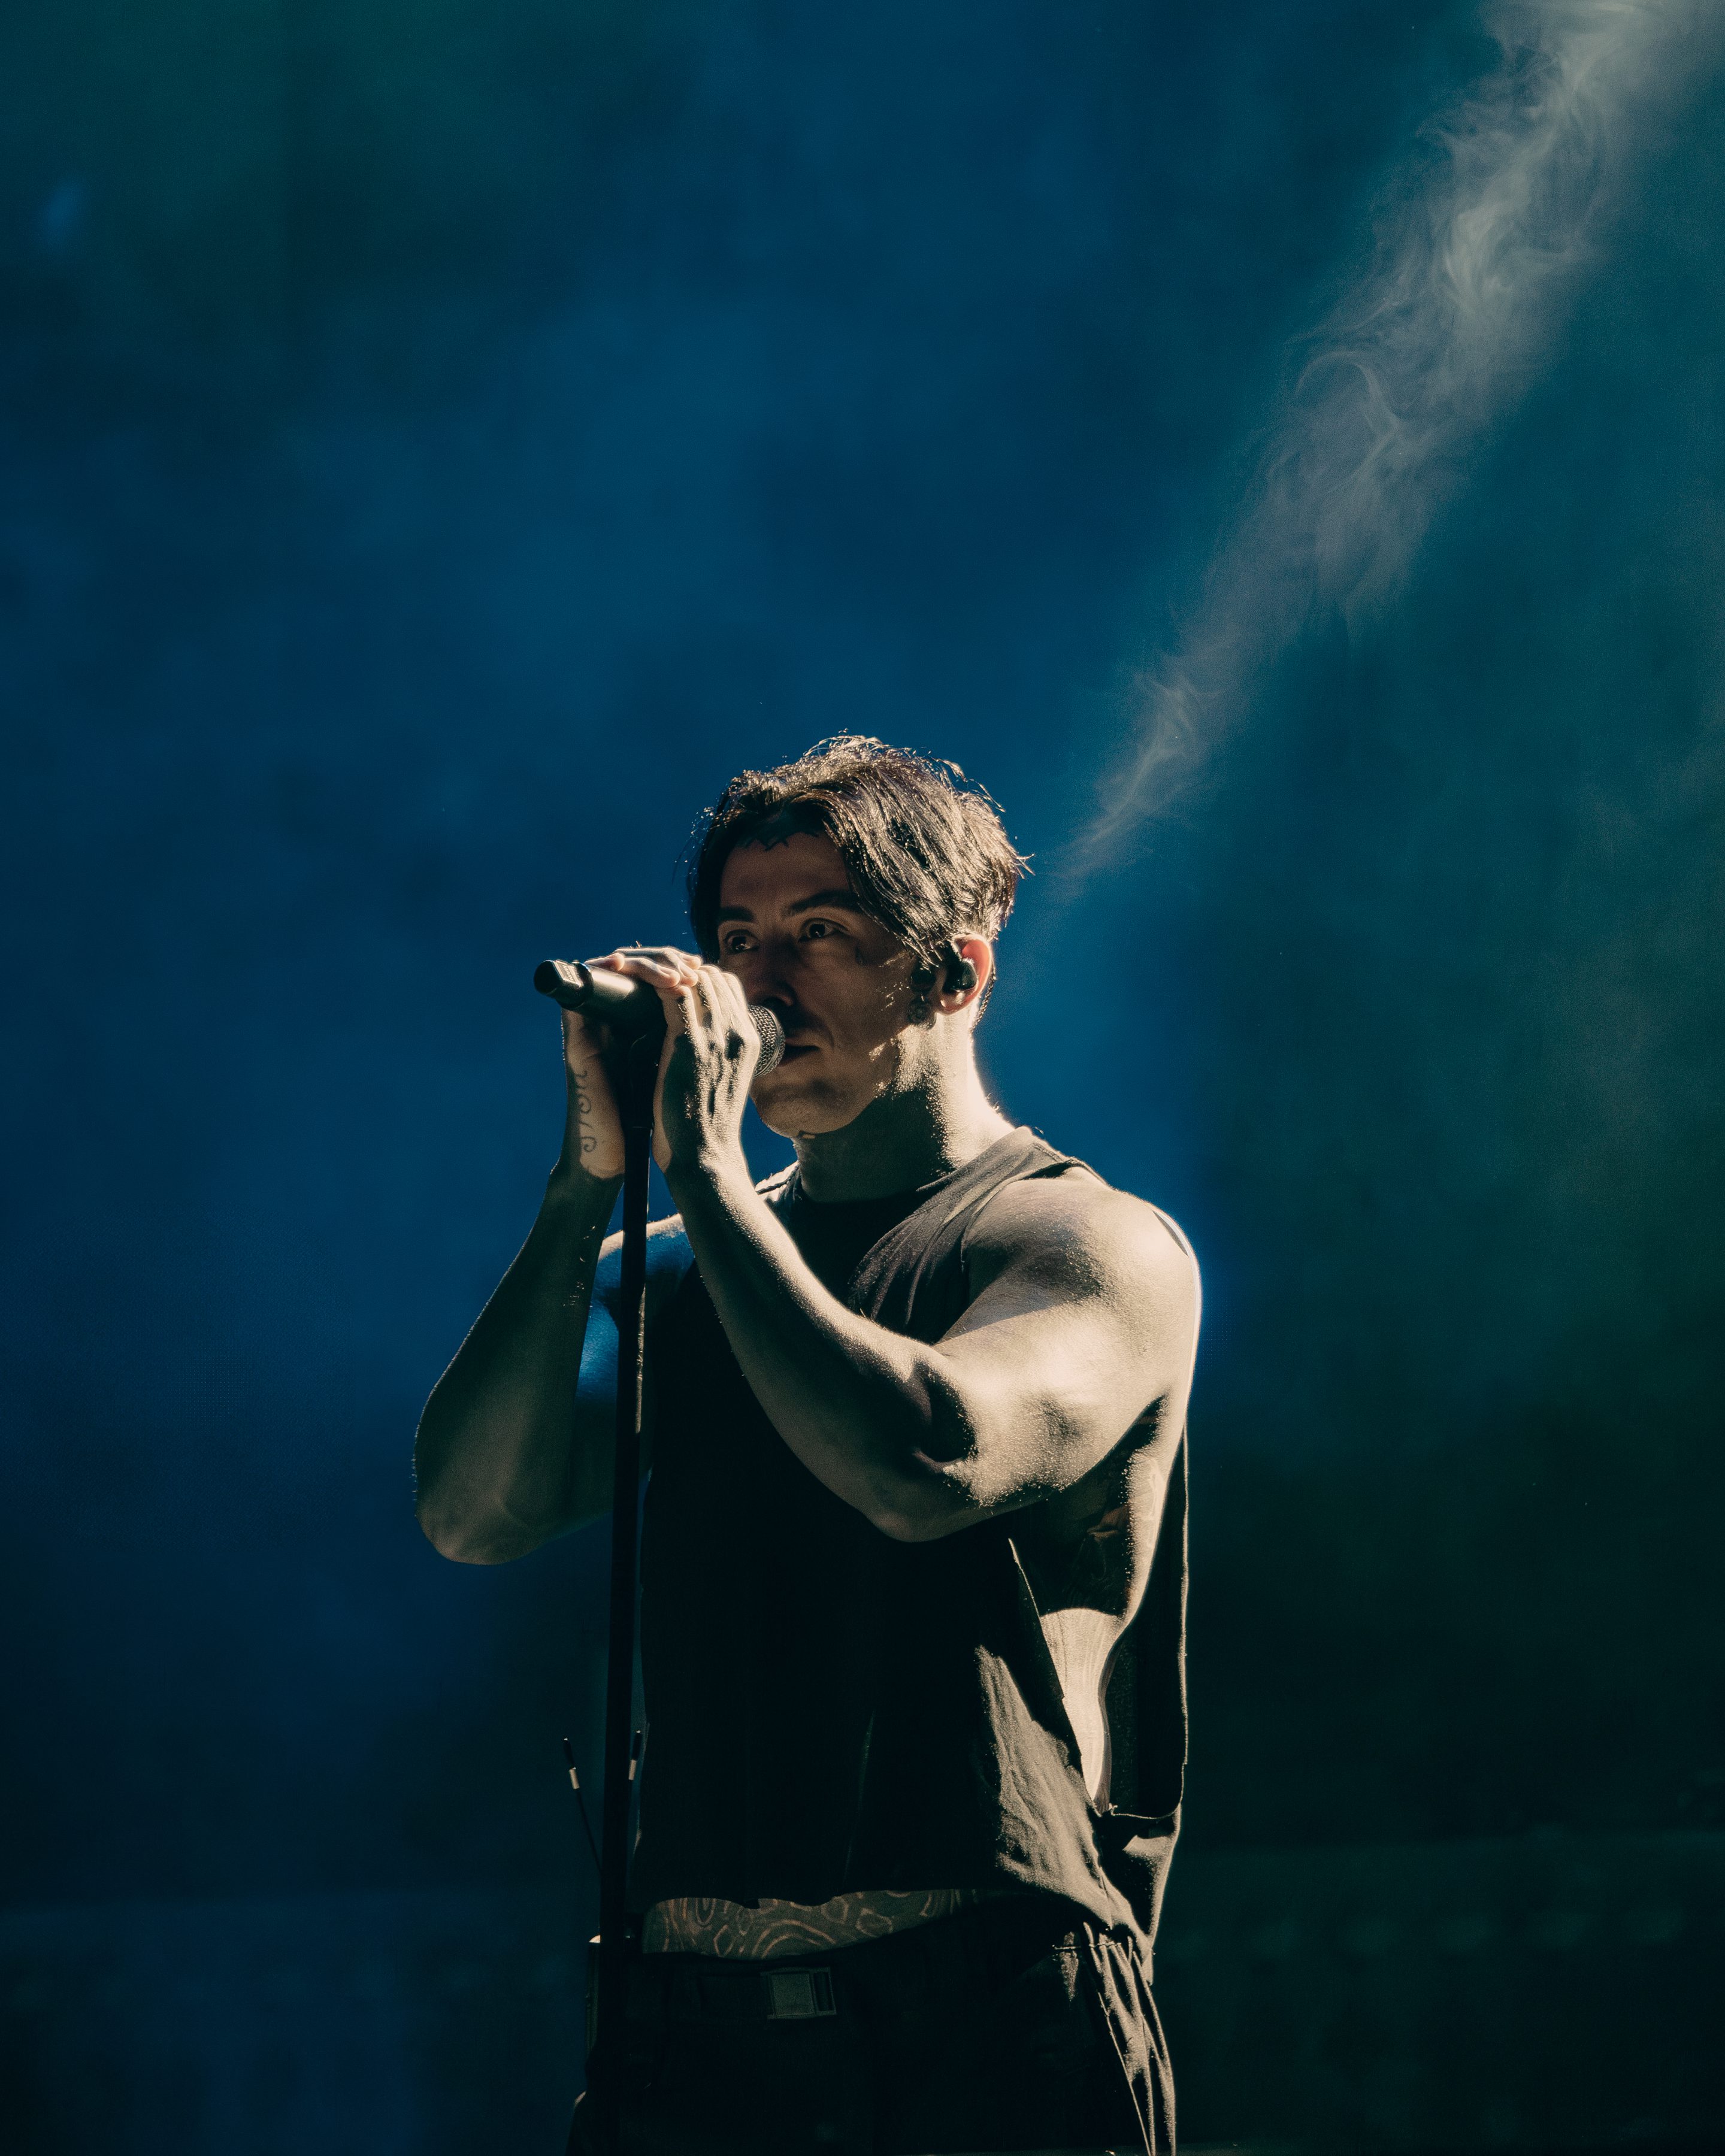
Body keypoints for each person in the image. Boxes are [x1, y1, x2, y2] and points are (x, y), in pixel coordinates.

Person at [414, 737, 1200, 2155]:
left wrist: (712, 1175)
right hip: (694, 2024)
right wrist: (584, 1180)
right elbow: (476, 1510)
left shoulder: (1085, 1242)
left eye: (821, 934)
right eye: (736, 940)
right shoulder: (666, 1268)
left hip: (982, 2004)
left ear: (954, 972)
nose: (763, 986)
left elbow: (923, 1465)